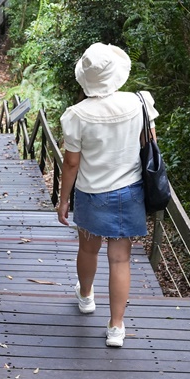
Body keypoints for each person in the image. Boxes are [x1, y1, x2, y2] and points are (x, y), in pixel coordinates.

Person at [56, 43, 158, 347]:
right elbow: (149, 142)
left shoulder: (76, 115)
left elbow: (72, 163)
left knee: (88, 250)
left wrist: (63, 200)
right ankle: (116, 327)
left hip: (92, 193)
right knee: (120, 259)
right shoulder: (139, 102)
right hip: (129, 192)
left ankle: (86, 296)